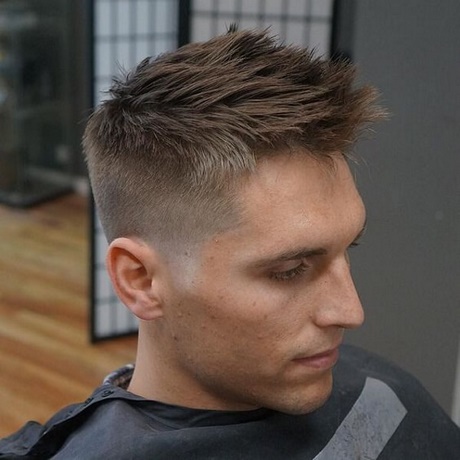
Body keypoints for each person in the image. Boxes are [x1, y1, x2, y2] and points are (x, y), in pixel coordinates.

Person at [1, 28, 459, 459]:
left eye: (348, 249)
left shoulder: (377, 391)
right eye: (290, 270)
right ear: (139, 280)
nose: (351, 312)